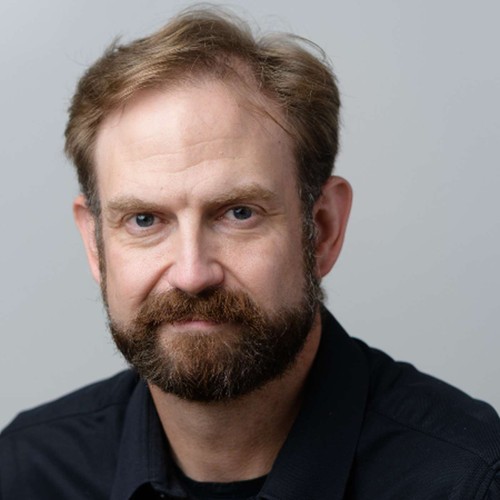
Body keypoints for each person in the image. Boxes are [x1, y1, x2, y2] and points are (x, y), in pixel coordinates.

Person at [1, 6, 499, 499]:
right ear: (95, 244)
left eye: (239, 213)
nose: (192, 274)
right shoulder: (26, 473)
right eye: (145, 220)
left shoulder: (469, 482)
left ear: (322, 229)